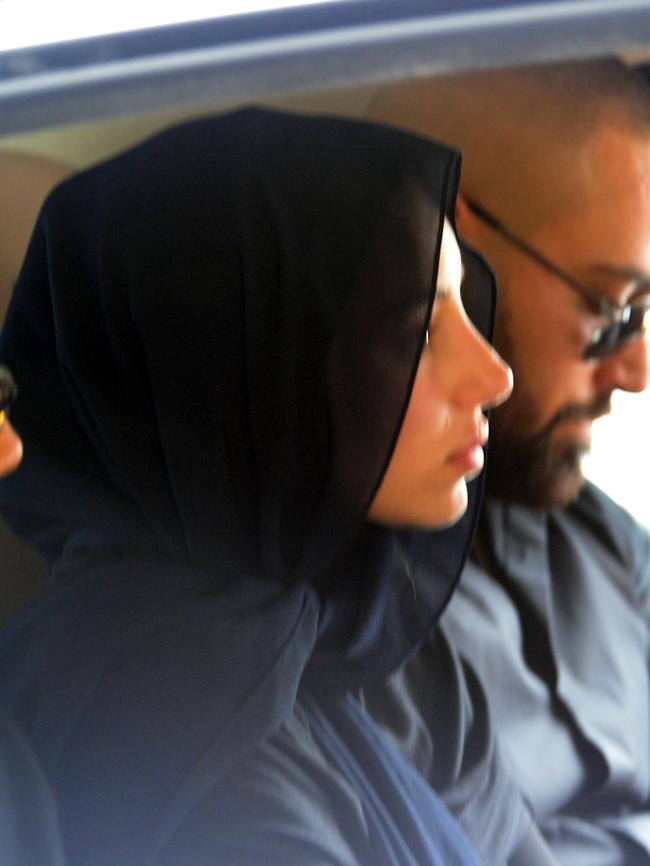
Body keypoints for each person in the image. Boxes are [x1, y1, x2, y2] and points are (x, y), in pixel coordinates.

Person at [0, 107, 512, 865]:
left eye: (466, 306)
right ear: (257, 378)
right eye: (420, 334)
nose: (496, 377)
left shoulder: (341, 628)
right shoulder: (186, 752)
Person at [366, 59, 650, 865]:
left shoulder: (601, 539)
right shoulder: (342, 630)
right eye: (611, 310)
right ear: (454, 246)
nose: (635, 370)